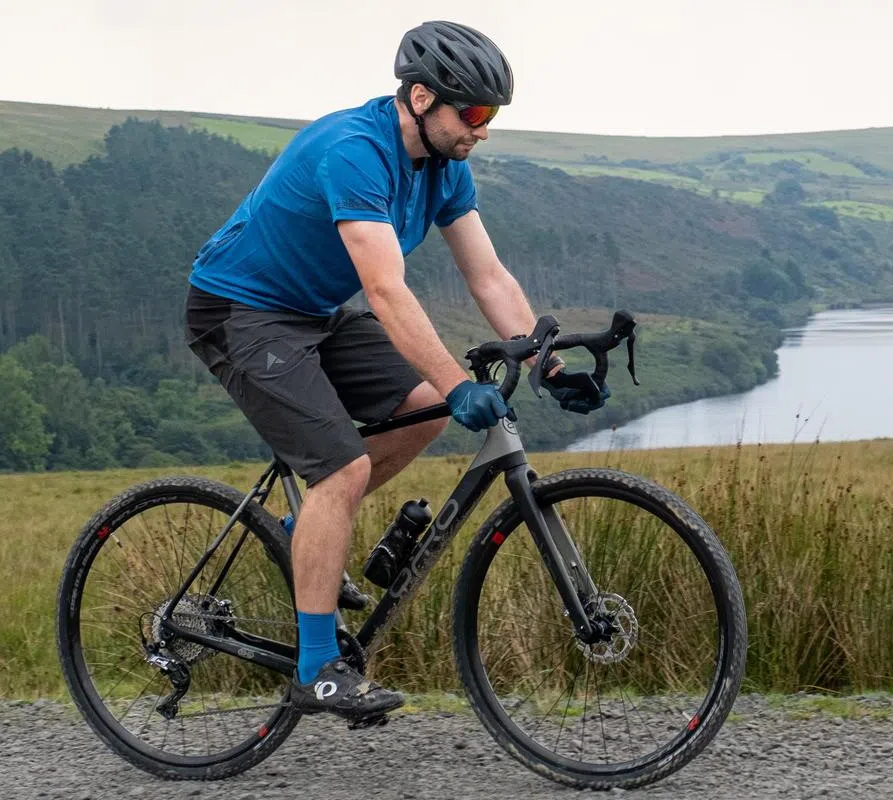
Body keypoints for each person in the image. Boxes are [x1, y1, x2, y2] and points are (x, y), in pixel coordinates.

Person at [183, 20, 607, 722]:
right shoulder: (355, 150)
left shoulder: (445, 166)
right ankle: (318, 669)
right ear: (419, 98)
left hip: (316, 308)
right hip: (240, 309)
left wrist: (547, 363)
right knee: (342, 470)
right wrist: (456, 379)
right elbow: (385, 290)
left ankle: (303, 534)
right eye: (472, 113)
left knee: (427, 409)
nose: (483, 129)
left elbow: (489, 276)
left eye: (491, 115)